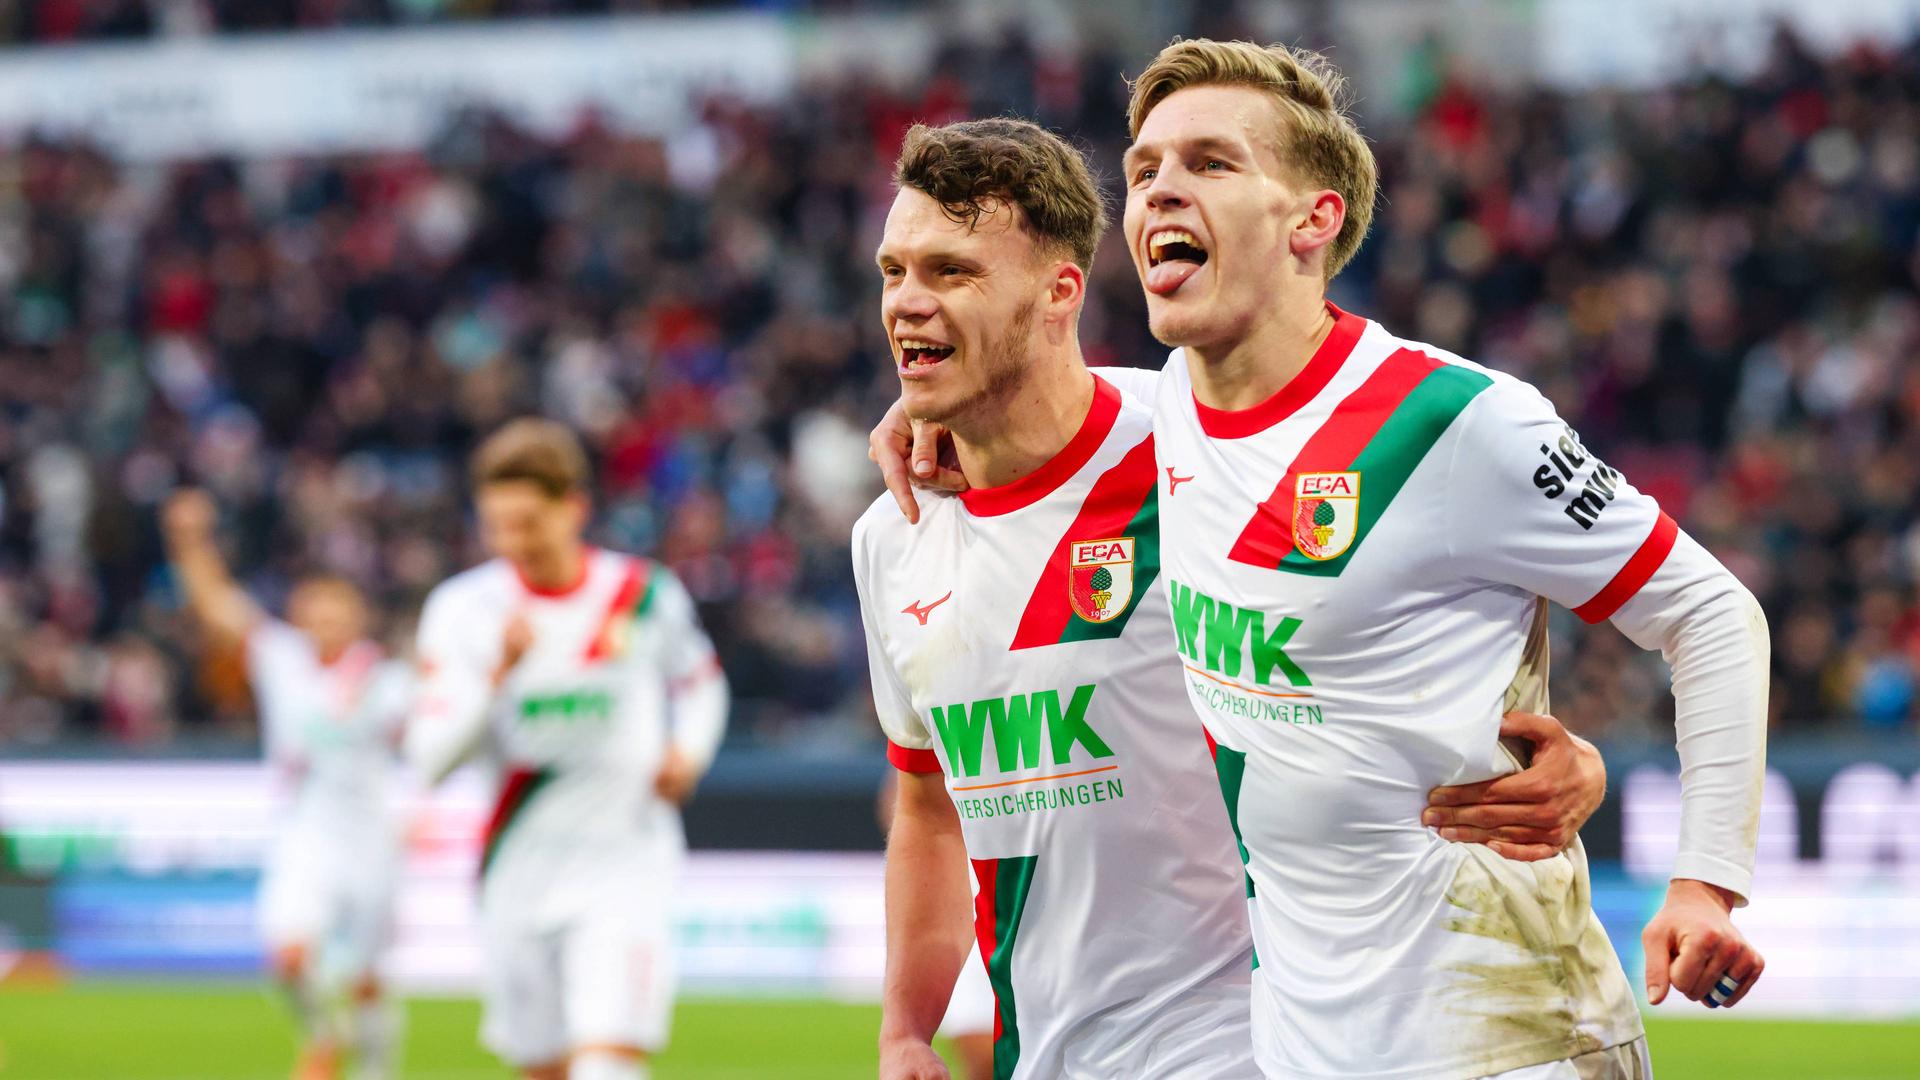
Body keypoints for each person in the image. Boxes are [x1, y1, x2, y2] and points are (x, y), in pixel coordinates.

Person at [882, 37, 1772, 1080]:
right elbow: (1036, 418)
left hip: (1510, 1039)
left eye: (1210, 162)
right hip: (1307, 1050)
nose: (1161, 188)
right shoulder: (1170, 413)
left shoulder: (1454, 421)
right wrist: (929, 408)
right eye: (1144, 168)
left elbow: (1710, 613)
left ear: (1313, 219)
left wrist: (1704, 880)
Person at [406, 419, 728, 1080]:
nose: (513, 543)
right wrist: (496, 677)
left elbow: (702, 685)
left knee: (607, 1061)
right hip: (518, 870)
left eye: (528, 523)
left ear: (574, 508)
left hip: (625, 862)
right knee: (544, 1068)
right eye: (498, 526)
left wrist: (688, 751)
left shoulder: (642, 595)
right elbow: (428, 758)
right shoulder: (462, 610)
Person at [162, 488, 410, 1080]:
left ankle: (377, 1069)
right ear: (300, 615)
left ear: (358, 618)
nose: (325, 622)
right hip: (306, 837)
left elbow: (427, 744)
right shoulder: (282, 658)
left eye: (337, 612)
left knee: (369, 978)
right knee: (288, 954)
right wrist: (189, 540)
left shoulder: (387, 680)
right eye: (316, 611)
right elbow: (215, 603)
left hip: (373, 842)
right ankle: (324, 1035)